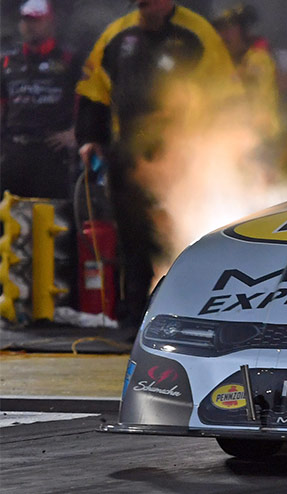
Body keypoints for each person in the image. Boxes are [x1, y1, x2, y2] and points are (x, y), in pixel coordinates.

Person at [74, 0, 238, 327]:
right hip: (129, 154)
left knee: (179, 235)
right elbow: (93, 90)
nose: (146, 7)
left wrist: (216, 145)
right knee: (131, 237)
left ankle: (186, 315)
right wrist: (90, 138)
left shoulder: (197, 35)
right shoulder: (117, 37)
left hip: (181, 154)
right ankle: (134, 318)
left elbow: (226, 94)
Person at [1, 0, 80, 200]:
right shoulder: (8, 62)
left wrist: (75, 134)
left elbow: (91, 103)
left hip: (51, 154)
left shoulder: (70, 61)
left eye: (36, 20)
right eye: (26, 20)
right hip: (14, 153)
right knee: (11, 221)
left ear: (49, 22)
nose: (29, 25)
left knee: (54, 220)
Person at [214, 4, 280, 139]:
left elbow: (255, 92)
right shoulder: (220, 60)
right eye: (220, 30)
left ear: (243, 31)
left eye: (229, 29)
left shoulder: (258, 59)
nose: (223, 35)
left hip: (258, 135)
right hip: (226, 135)